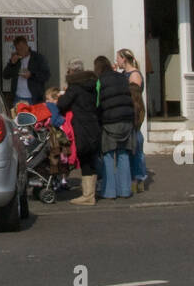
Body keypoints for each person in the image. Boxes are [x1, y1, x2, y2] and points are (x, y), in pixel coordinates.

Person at [57, 59, 100, 205]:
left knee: (85, 158)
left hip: (81, 126)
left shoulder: (74, 87)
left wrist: (62, 96)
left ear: (72, 72)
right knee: (91, 158)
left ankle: (88, 196)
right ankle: (90, 193)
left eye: (68, 71)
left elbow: (62, 104)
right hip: (93, 124)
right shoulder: (91, 84)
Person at [93, 57, 136, 199]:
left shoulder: (100, 81)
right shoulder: (122, 77)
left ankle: (109, 191)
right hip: (127, 120)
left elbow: (97, 102)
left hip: (110, 121)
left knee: (108, 155)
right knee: (123, 154)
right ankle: (125, 190)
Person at [115, 49, 148, 193]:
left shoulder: (134, 75)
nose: (116, 61)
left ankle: (138, 179)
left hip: (134, 113)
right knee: (130, 147)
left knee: (136, 147)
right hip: (127, 112)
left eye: (118, 59)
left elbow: (134, 98)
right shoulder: (124, 74)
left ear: (124, 59)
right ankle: (132, 179)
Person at [2, 36, 50, 107]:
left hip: (34, 98)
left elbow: (46, 75)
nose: (21, 51)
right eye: (18, 49)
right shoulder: (16, 59)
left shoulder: (38, 58)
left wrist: (31, 75)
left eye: (22, 48)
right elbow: (5, 75)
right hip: (18, 98)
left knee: (34, 118)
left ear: (27, 46)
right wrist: (11, 63)